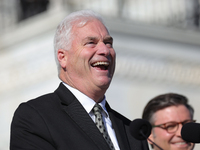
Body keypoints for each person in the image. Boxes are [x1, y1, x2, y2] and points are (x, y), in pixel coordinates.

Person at [10, 10, 148, 150]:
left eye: (108, 43)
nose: (105, 50)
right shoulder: (36, 117)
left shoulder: (132, 132)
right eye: (90, 43)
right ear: (63, 57)